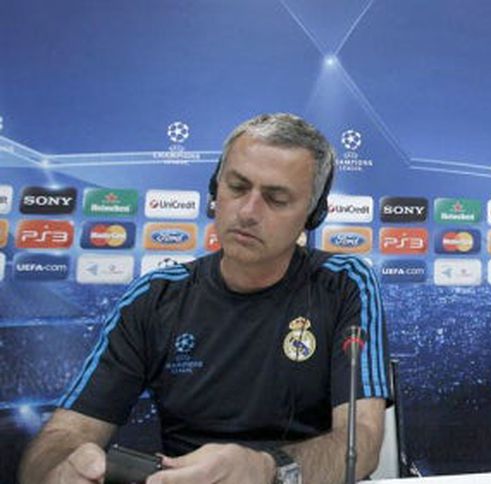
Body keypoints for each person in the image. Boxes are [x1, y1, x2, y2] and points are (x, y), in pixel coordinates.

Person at [19, 113, 390, 484]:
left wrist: (267, 470)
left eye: (276, 199)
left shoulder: (344, 284)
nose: (248, 212)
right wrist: (61, 469)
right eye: (237, 187)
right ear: (215, 189)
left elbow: (362, 442)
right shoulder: (155, 297)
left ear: (313, 214)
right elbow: (63, 435)